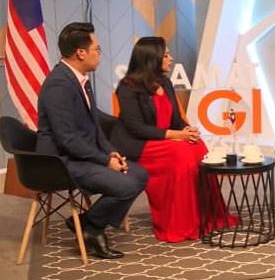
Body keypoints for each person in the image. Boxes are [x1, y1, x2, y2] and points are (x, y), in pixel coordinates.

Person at [36, 22, 148, 259]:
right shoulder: (59, 85)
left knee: (139, 174)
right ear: (81, 52)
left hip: (80, 154)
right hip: (59, 162)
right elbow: (67, 139)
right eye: (97, 49)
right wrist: (105, 161)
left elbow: (94, 126)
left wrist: (110, 152)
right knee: (127, 185)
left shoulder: (79, 79)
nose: (99, 54)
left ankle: (88, 223)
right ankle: (94, 229)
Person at [112, 36, 220, 242]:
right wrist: (176, 135)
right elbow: (136, 128)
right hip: (139, 144)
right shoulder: (127, 87)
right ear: (152, 58)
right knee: (181, 154)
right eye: (166, 55)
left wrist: (187, 131)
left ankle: (204, 217)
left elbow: (175, 119)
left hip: (164, 141)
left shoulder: (165, 82)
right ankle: (180, 223)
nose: (170, 59)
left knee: (197, 146)